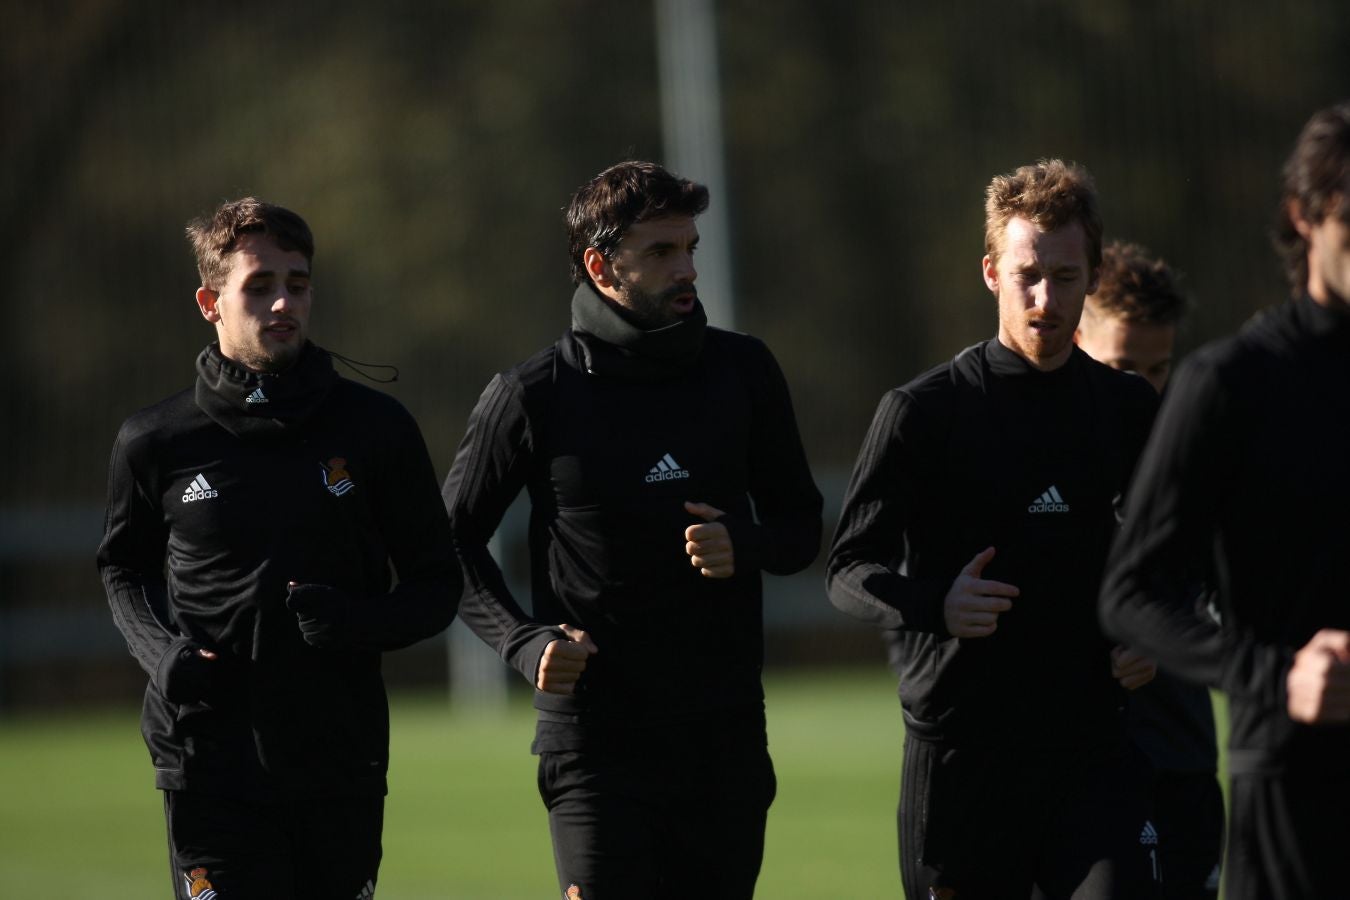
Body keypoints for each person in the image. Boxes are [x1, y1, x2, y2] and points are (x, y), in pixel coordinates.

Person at [442, 160, 822, 900]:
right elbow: (447, 544)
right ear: (600, 264)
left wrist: (745, 544)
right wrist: (521, 641)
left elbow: (802, 527)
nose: (686, 269)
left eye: (690, 248)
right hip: (595, 741)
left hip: (724, 733)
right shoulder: (531, 394)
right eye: (660, 252)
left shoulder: (744, 370)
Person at [97, 198, 460, 899]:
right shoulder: (155, 440)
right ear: (211, 302)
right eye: (258, 286)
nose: (282, 301)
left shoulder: (375, 428)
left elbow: (437, 582)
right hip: (207, 758)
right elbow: (121, 568)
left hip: (340, 759)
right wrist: (163, 654)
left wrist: (358, 623)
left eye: (297, 283)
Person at [828, 159, 1162, 898]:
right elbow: (848, 570)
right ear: (990, 273)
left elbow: (1176, 553)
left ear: (1093, 275)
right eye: (1027, 276)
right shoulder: (923, 413)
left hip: (1091, 755)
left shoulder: (1126, 410)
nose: (1046, 300)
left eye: (1067, 277)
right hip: (961, 763)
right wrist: (935, 605)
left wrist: (1154, 634)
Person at [1100, 101, 1350, 900]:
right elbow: (1131, 594)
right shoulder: (1231, 385)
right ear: (1304, 217)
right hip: (1296, 793)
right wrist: (1277, 679)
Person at [1075, 242, 1224, 898]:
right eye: (1122, 366)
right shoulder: (1036, 454)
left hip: (1183, 759)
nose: (1144, 387)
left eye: (1159, 368)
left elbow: (1230, 597)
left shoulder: (1202, 459)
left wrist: (1168, 644)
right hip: (1077, 768)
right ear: (1078, 339)